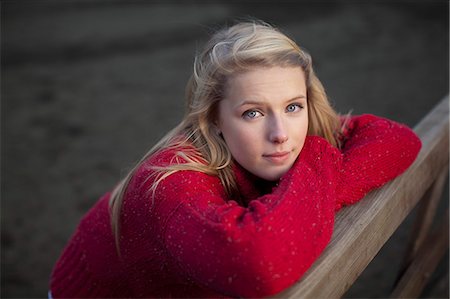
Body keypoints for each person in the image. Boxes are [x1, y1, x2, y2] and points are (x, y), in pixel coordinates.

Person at [49, 20, 421, 298]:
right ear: (214, 120)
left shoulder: (289, 136)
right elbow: (260, 262)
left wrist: (311, 173)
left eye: (293, 106)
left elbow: (398, 140)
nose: (280, 134)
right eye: (252, 113)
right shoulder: (171, 183)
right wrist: (315, 169)